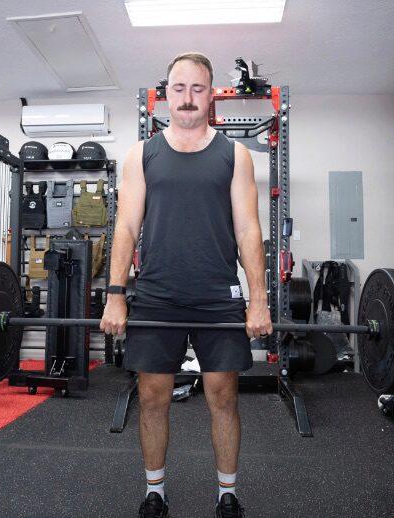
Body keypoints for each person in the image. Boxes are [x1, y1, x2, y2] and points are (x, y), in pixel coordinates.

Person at [100, 52, 271, 518]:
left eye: (198, 89)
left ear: (211, 94)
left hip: (218, 294)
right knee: (153, 396)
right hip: (157, 294)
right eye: (180, 88)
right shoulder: (141, 155)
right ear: (165, 95)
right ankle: (155, 490)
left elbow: (248, 230)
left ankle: (227, 494)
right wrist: (116, 295)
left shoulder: (235, 156)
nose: (188, 98)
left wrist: (259, 300)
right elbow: (126, 227)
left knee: (223, 395)